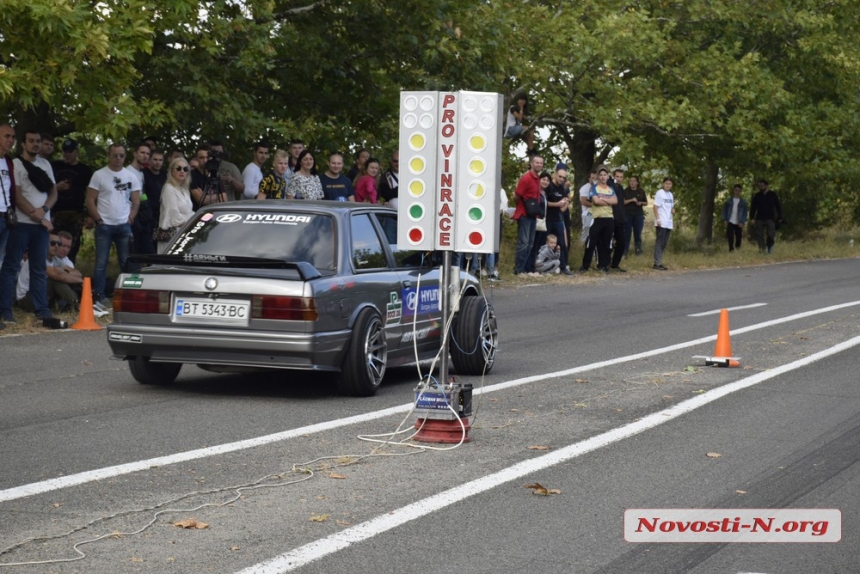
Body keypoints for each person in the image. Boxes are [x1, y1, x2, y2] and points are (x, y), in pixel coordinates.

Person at [0, 130, 58, 326]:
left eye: (38, 141)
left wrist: (45, 210)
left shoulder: (45, 164)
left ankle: (42, 311)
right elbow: (15, 195)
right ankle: (6, 310)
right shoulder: (14, 164)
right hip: (21, 224)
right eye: (31, 141)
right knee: (11, 266)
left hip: (41, 226)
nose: (35, 144)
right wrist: (37, 215)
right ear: (23, 144)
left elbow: (53, 192)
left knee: (39, 268)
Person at [85, 143, 141, 309]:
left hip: (124, 225)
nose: (118, 159)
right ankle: (99, 297)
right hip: (104, 226)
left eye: (121, 156)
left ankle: (127, 295)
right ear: (109, 156)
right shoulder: (99, 175)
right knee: (101, 263)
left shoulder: (131, 176)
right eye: (115, 155)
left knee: (126, 262)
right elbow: (90, 200)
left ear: (125, 157)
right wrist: (98, 220)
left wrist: (130, 218)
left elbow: (136, 200)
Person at [50, 139, 93, 263]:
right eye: (65, 151)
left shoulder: (85, 170)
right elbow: (44, 189)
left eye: (70, 151)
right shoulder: (55, 166)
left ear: (76, 152)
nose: (67, 154)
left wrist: (90, 215)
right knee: (54, 246)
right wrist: (56, 187)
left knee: (72, 247)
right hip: (56, 214)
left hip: (76, 215)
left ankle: (69, 273)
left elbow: (89, 194)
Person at [512, 155, 543, 276]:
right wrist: (522, 206)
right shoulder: (526, 178)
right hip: (524, 214)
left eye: (541, 163)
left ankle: (524, 269)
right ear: (531, 163)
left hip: (532, 215)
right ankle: (518, 269)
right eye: (537, 162)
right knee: (523, 243)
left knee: (530, 243)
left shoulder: (538, 179)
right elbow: (517, 195)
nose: (539, 165)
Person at [156, 157, 194, 252]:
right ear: (172, 171)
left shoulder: (185, 190)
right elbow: (174, 218)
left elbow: (189, 212)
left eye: (185, 169)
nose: (182, 171)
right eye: (178, 168)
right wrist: (193, 219)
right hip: (170, 236)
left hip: (183, 234)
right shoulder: (169, 189)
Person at [587, 166, 618, 274]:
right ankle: (585, 265)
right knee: (592, 242)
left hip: (609, 218)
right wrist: (608, 201)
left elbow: (615, 201)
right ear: (598, 177)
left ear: (608, 176)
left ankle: (603, 265)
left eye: (605, 175)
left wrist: (603, 198)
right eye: (601, 175)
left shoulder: (611, 188)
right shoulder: (594, 188)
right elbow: (596, 201)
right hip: (597, 218)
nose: (603, 177)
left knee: (606, 243)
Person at [544, 166, 574, 275]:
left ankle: (563, 266)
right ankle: (543, 266)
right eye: (560, 176)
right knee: (545, 243)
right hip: (547, 219)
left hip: (558, 219)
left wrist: (565, 202)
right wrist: (556, 204)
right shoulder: (549, 186)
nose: (561, 179)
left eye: (564, 178)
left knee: (561, 243)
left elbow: (563, 208)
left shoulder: (562, 188)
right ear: (555, 174)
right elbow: (544, 203)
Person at [0, 123, 17, 276]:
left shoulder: (8, 161)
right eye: (7, 136)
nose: (11, 140)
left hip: (6, 216)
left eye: (13, 137)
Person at [749, 179, 782, 254]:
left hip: (770, 218)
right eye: (759, 186)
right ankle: (762, 249)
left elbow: (778, 206)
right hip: (759, 218)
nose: (760, 187)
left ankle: (770, 246)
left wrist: (780, 217)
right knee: (759, 234)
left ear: (766, 186)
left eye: (762, 186)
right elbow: (753, 208)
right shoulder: (757, 196)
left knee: (771, 234)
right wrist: (752, 218)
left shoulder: (772, 195)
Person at [578, 168, 598, 272]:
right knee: (586, 233)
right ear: (589, 178)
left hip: (595, 214)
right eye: (592, 178)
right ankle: (581, 250)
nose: (594, 180)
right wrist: (596, 205)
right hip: (587, 213)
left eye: (596, 178)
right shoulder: (585, 188)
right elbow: (583, 201)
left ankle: (594, 257)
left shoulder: (597, 188)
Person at [652, 177, 675, 270]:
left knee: (664, 243)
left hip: (668, 222)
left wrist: (673, 210)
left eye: (669, 184)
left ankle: (659, 261)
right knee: (659, 242)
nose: (668, 185)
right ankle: (656, 263)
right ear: (663, 184)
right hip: (661, 221)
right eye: (666, 183)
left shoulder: (670, 194)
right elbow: (655, 207)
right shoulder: (660, 193)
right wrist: (658, 219)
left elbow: (671, 207)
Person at [623, 175, 647, 256]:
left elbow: (646, 202)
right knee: (627, 233)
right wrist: (631, 200)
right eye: (630, 181)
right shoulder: (626, 191)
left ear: (637, 182)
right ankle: (625, 250)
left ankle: (638, 250)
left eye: (633, 181)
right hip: (627, 215)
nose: (632, 182)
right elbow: (623, 202)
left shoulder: (641, 191)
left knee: (638, 233)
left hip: (638, 215)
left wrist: (641, 203)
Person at [609, 168, 627, 272]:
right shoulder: (610, 185)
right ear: (613, 176)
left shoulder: (621, 188)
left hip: (620, 219)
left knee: (621, 242)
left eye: (621, 177)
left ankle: (615, 264)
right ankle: (605, 263)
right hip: (611, 217)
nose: (619, 179)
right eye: (617, 177)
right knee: (608, 242)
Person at [722, 184, 748, 252]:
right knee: (730, 235)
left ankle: (737, 247)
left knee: (738, 236)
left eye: (739, 191)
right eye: (736, 190)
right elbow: (724, 210)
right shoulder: (729, 201)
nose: (737, 192)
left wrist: (742, 222)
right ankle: (731, 249)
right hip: (730, 220)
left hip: (738, 222)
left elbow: (745, 213)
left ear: (741, 192)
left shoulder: (743, 202)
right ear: (734, 191)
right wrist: (725, 219)